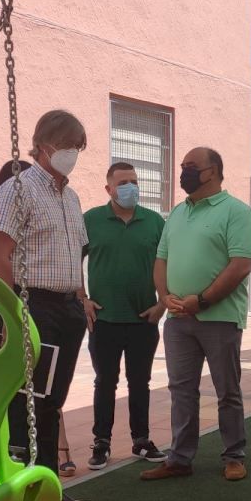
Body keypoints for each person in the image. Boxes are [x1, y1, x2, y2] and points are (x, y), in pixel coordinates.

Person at [0, 109, 95, 501]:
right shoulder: (18, 189)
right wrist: (13, 311)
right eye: (67, 145)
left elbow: (75, 255)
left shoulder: (71, 197)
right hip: (31, 306)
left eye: (78, 147)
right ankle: (26, 498)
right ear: (43, 145)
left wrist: (81, 299)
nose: (73, 154)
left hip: (66, 309)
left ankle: (50, 492)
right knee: (26, 404)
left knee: (51, 404)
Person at [141, 147, 251, 482]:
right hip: (178, 320)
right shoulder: (178, 212)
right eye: (183, 166)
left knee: (227, 391)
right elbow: (161, 259)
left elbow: (240, 265)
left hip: (219, 318)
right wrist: (165, 297)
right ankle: (179, 458)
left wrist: (201, 301)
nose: (184, 173)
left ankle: (234, 456)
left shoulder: (237, 212)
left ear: (214, 171)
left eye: (191, 166)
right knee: (181, 391)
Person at [83, 162, 169, 470]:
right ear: (109, 189)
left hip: (144, 320)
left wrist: (163, 304)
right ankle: (101, 442)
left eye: (134, 181)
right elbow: (71, 258)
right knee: (105, 382)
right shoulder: (91, 220)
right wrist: (82, 299)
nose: (130, 187)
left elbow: (168, 263)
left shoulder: (154, 222)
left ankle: (141, 440)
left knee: (140, 382)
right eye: (122, 183)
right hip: (104, 320)